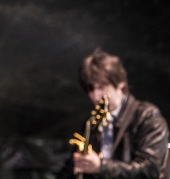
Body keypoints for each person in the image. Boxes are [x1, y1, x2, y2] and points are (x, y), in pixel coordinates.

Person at [58, 48, 169, 179]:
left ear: (120, 84)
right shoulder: (92, 123)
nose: (95, 96)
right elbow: (70, 169)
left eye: (101, 87)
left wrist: (101, 166)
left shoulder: (146, 116)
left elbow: (150, 170)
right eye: (90, 89)